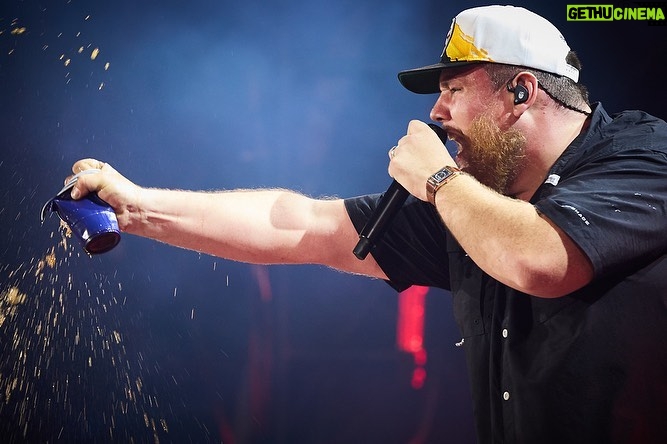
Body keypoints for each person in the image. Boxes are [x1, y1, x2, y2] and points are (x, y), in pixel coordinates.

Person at [66, 5, 667, 443]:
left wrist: (438, 181)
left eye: (454, 89)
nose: (436, 112)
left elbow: (542, 258)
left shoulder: (645, 159)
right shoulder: (477, 205)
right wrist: (136, 206)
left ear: (521, 91)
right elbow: (302, 225)